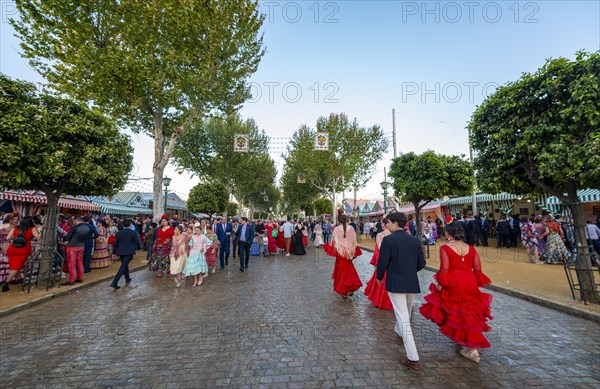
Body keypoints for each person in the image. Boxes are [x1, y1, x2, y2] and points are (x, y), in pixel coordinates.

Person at [419, 219, 493, 364]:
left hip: (454, 281)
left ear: (448, 233)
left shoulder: (445, 248)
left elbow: (444, 268)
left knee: (456, 312)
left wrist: (441, 283)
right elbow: (478, 268)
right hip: (469, 281)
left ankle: (472, 349)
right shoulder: (471, 248)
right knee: (470, 313)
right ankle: (470, 347)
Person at [375, 212, 425, 373]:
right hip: (411, 282)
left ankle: (413, 358)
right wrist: (409, 271)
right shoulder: (414, 240)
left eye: (388, 222)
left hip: (395, 282)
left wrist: (379, 277)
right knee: (406, 313)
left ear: (395, 223)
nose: (387, 225)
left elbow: (382, 262)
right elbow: (421, 263)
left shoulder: (389, 240)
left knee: (404, 317)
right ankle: (398, 331)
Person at [323, 214, 362, 298]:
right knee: (349, 269)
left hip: (340, 253)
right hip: (349, 253)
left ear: (338, 221)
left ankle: (344, 290)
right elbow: (354, 241)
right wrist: (351, 251)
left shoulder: (336, 229)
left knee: (341, 272)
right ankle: (350, 287)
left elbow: (334, 241)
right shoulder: (351, 228)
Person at [2, 216, 40, 292]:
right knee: (16, 267)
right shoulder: (32, 228)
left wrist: (16, 237)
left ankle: (21, 280)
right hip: (23, 249)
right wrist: (42, 232)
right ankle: (6, 283)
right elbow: (38, 237)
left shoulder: (15, 228)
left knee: (15, 266)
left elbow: (8, 238)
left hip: (12, 249)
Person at [364, 216, 393, 310]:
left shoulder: (380, 235)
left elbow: (379, 251)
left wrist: (377, 263)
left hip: (384, 261)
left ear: (385, 225)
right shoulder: (395, 234)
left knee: (382, 280)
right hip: (394, 262)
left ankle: (383, 301)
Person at [109, 219, 143, 289]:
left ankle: (127, 278)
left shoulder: (119, 233)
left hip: (121, 251)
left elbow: (116, 244)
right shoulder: (133, 232)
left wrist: (114, 252)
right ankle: (114, 282)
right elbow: (137, 241)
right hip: (129, 251)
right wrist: (139, 248)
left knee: (124, 265)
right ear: (130, 224)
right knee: (123, 266)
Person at [60, 216, 92, 286]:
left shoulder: (74, 228)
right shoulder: (87, 227)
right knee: (80, 262)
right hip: (81, 246)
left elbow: (68, 238)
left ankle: (71, 279)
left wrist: (63, 238)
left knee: (72, 263)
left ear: (76, 220)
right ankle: (79, 277)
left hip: (72, 247)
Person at [0, 213, 20, 286]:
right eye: (14, 219)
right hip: (5, 248)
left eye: (17, 219)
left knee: (15, 264)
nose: (15, 221)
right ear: (10, 220)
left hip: (15, 248)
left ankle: (16, 280)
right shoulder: (4, 227)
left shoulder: (19, 228)